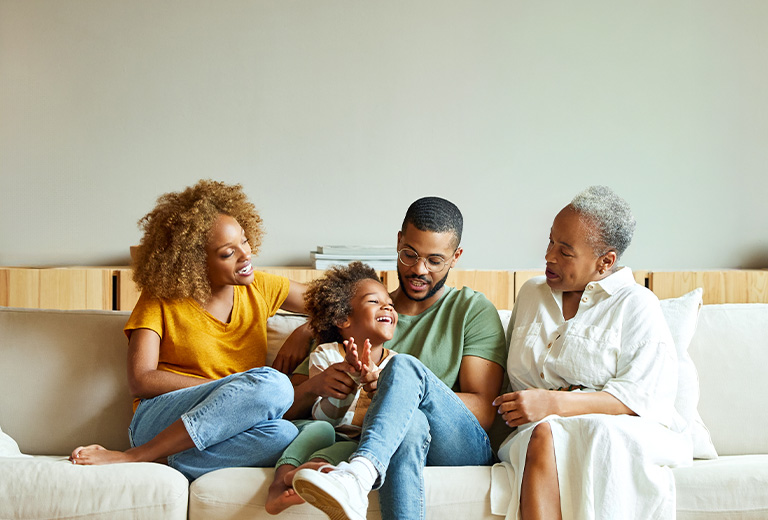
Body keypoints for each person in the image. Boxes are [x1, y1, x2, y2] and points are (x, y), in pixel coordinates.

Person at [282, 196, 507, 520]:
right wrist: (316, 371)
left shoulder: (471, 309)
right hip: (403, 438)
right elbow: (288, 406)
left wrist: (395, 393)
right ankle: (360, 474)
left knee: (402, 368)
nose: (419, 269)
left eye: (435, 260)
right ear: (399, 241)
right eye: (410, 254)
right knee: (409, 424)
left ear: (455, 257)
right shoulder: (360, 312)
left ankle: (359, 473)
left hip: (457, 444)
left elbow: (484, 411)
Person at [69, 179, 306, 481]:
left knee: (285, 434)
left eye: (244, 241)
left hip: (226, 426)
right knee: (276, 386)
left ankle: (166, 459)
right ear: (194, 263)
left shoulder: (261, 287)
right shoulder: (161, 297)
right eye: (227, 253)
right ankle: (136, 454)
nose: (246, 255)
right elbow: (141, 379)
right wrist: (227, 388)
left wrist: (306, 329)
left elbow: (335, 305)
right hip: (160, 418)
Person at [493, 186, 691, 519]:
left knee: (554, 432)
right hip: (535, 431)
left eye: (565, 251)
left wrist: (552, 403)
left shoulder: (637, 304)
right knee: (543, 433)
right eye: (550, 241)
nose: (549, 256)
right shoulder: (531, 294)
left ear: (606, 261)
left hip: (619, 429)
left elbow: (641, 399)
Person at [266, 261, 399, 514]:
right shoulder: (326, 355)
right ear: (342, 318)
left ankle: (311, 472)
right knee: (321, 430)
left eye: (390, 305)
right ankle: (278, 484)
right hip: (321, 426)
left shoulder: (396, 367)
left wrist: (376, 388)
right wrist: (347, 384)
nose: (387, 307)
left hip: (354, 439)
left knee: (353, 448)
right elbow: (325, 416)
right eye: (374, 302)